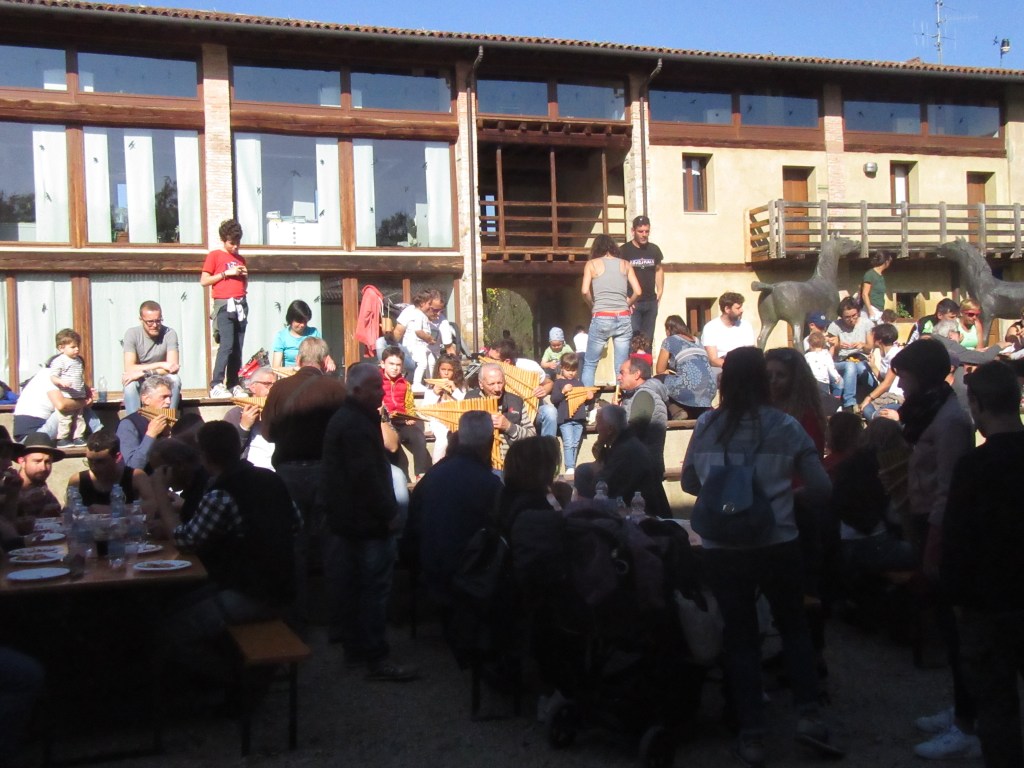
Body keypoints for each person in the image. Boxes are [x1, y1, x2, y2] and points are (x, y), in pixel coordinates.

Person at [681, 347, 838, 767]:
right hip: (777, 543)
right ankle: (808, 718)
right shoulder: (785, 426)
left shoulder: (706, 425)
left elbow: (691, 483)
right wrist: (784, 495)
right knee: (793, 628)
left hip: (722, 549)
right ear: (762, 381)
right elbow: (822, 489)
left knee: (740, 638)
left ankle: (751, 735)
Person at [890, 339, 979, 761]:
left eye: (905, 377)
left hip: (940, 528)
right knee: (945, 624)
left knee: (955, 628)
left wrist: (933, 547)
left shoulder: (949, 423)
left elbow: (949, 488)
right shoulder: (930, 413)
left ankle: (968, 723)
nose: (900, 385)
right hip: (925, 519)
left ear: (922, 377)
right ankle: (962, 709)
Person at [161, 421, 301, 681]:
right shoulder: (271, 479)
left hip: (250, 593)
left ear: (204, 456)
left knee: (169, 630)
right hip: (283, 587)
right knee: (176, 605)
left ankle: (233, 681)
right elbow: (296, 524)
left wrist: (160, 497)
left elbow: (186, 540)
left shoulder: (221, 493)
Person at [943, 361, 1024, 768]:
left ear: (975, 404)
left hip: (989, 601)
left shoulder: (974, 466)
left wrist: (955, 595)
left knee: (996, 704)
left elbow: (957, 539)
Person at [320, 362, 418, 681]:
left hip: (352, 519)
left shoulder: (354, 418)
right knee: (372, 591)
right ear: (358, 389)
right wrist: (389, 513)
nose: (382, 392)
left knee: (357, 588)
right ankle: (376, 657)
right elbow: (365, 477)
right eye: (376, 387)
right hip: (364, 522)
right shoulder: (354, 423)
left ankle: (357, 651)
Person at [261, 337, 347, 618]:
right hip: (326, 472)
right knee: (331, 545)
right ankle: (335, 617)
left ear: (298, 360)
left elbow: (268, 434)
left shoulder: (279, 388)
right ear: (325, 361)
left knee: (294, 544)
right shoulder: (337, 389)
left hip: (288, 472)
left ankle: (297, 617)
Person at [404, 411, 503, 607]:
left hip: (429, 567)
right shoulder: (490, 484)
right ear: (490, 442)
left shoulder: (432, 476)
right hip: (465, 577)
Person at [575, 404, 671, 518]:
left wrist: (598, 467)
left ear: (610, 429)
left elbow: (602, 487)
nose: (596, 428)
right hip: (639, 508)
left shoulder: (626, 451)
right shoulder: (626, 443)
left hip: (645, 515)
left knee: (583, 471)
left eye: (598, 423)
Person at [580, 234, 642, 387]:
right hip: (623, 316)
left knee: (590, 363)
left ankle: (588, 397)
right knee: (621, 366)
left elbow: (584, 291)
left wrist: (592, 305)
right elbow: (638, 291)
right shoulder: (626, 264)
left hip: (602, 315)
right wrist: (628, 303)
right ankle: (621, 397)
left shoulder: (591, 264)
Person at [201, 218, 248, 398]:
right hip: (224, 304)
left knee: (237, 346)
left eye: (237, 243)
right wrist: (226, 273)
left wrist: (244, 276)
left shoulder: (240, 259)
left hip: (241, 304)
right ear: (223, 239)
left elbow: (243, 284)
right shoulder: (214, 255)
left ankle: (233, 383)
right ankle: (216, 384)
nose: (235, 246)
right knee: (226, 345)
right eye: (231, 243)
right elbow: (204, 281)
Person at [466, 362, 536, 464]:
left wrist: (509, 427)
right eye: (491, 384)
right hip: (480, 462)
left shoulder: (515, 401)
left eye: (500, 383)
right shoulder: (469, 400)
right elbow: (461, 435)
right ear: (481, 384)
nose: (497, 389)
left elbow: (532, 436)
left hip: (512, 462)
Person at [68, 431, 153, 514]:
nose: (93, 467)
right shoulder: (78, 480)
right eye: (90, 461)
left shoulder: (136, 476)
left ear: (117, 457)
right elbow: (68, 510)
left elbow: (152, 504)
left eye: (100, 462)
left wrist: (110, 510)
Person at [487, 338, 557, 438]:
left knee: (550, 412)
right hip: (505, 413)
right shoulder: (487, 370)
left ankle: (548, 445)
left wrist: (543, 390)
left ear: (506, 361)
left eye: (492, 359)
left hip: (531, 412)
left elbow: (549, 383)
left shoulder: (530, 367)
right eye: (488, 356)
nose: (487, 360)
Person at [379, 346, 431, 480]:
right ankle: (404, 480)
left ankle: (421, 474)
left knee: (418, 436)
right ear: (383, 364)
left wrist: (410, 416)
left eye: (398, 365)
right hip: (385, 423)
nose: (395, 368)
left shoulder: (405, 384)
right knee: (401, 459)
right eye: (391, 364)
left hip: (402, 421)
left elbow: (410, 405)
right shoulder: (377, 382)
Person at [122, 300, 181, 415]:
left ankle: (169, 420)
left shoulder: (169, 333)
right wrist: (161, 364)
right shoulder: (132, 334)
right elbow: (129, 368)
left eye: (158, 321)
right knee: (129, 385)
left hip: (161, 379)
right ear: (141, 320)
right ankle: (134, 421)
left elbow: (173, 367)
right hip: (140, 381)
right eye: (150, 322)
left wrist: (144, 373)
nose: (154, 325)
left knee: (175, 379)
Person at [617, 356, 669, 479]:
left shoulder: (644, 396)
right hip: (640, 466)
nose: (619, 377)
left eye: (622, 373)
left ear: (637, 374)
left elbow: (634, 431)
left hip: (642, 469)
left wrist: (614, 418)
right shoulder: (636, 396)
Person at [656, 314, 717, 420]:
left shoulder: (669, 341)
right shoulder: (697, 341)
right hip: (711, 388)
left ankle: (677, 411)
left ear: (669, 329)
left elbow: (660, 369)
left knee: (657, 380)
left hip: (689, 387)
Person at [11, 368, 95, 441]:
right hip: (34, 435)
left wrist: (86, 396)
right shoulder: (51, 375)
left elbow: (85, 394)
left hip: (29, 434)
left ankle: (97, 433)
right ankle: (98, 432)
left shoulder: (43, 375)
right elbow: (61, 405)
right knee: (73, 405)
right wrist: (84, 402)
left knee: (76, 403)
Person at [222, 366, 277, 470]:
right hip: (249, 473)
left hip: (278, 472)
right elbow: (226, 453)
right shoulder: (234, 414)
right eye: (267, 384)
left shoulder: (280, 412)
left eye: (275, 385)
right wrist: (244, 427)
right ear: (253, 387)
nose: (272, 389)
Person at [827, 296, 875, 412]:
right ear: (841, 316)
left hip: (860, 358)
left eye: (854, 315)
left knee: (861, 367)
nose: (851, 319)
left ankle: (874, 394)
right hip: (842, 360)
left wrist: (862, 345)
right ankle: (849, 403)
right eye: (847, 317)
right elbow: (832, 353)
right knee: (850, 366)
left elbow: (869, 348)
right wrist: (838, 346)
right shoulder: (835, 326)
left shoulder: (866, 324)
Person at [115, 374, 173, 470]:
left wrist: (169, 438)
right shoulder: (128, 425)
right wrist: (151, 435)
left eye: (170, 397)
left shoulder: (170, 423)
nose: (169, 402)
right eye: (164, 397)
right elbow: (131, 467)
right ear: (146, 399)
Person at [621, 215, 664, 344]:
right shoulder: (624, 251)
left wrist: (660, 291)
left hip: (651, 302)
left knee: (647, 341)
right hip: (633, 303)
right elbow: (619, 275)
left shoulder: (654, 250)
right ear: (633, 231)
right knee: (633, 341)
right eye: (640, 231)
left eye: (647, 231)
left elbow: (658, 270)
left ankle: (647, 358)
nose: (644, 235)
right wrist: (626, 298)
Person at [48, 328, 93, 447]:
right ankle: (62, 438)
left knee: (79, 418)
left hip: (79, 395)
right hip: (67, 396)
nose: (77, 349)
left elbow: (80, 377)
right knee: (65, 419)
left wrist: (86, 390)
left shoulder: (78, 361)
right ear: (61, 348)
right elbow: (53, 376)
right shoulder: (60, 361)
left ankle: (78, 437)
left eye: (77, 346)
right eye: (73, 347)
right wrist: (61, 382)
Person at [550, 352, 592, 475]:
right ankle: (570, 466)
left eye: (573, 370)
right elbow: (554, 399)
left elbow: (585, 402)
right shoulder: (558, 383)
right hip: (565, 419)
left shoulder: (580, 383)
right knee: (568, 443)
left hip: (579, 418)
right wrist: (563, 391)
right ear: (562, 368)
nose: (571, 373)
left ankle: (572, 466)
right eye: (568, 370)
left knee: (575, 443)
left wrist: (590, 398)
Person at [392, 289, 442, 390]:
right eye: (429, 304)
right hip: (416, 345)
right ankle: (417, 384)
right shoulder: (418, 314)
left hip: (421, 345)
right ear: (422, 303)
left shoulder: (422, 315)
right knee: (422, 363)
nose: (430, 307)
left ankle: (430, 382)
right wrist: (428, 338)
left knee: (431, 361)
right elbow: (418, 331)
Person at [421, 354, 467, 463]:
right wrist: (434, 394)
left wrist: (455, 390)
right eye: (443, 369)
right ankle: (436, 466)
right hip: (438, 421)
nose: (446, 373)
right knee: (442, 441)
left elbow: (465, 404)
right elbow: (424, 410)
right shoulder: (431, 387)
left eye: (450, 370)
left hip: (456, 420)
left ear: (455, 371)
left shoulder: (461, 387)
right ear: (438, 370)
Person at [271, 299, 336, 372]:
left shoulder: (314, 333)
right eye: (299, 321)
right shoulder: (281, 336)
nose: (302, 325)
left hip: (312, 374)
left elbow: (324, 355)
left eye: (305, 321)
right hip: (290, 375)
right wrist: (294, 369)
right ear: (290, 319)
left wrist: (330, 361)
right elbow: (275, 368)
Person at [859, 323, 905, 419]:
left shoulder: (895, 354)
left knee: (875, 414)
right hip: (887, 395)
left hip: (896, 397)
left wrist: (868, 398)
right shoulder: (885, 355)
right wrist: (873, 366)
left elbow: (887, 383)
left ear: (879, 340)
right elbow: (883, 380)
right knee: (867, 410)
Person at [14, 433, 63, 520]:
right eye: (37, 461)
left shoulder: (45, 493)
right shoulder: (8, 489)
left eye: (47, 462)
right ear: (22, 462)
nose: (43, 468)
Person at [702, 291, 756, 371]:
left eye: (741, 307)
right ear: (727, 309)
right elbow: (713, 360)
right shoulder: (711, 328)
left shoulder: (746, 326)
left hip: (745, 367)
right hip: (721, 369)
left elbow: (751, 352)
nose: (742, 310)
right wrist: (735, 367)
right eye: (738, 308)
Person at [804, 331, 843, 398]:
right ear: (823, 344)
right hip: (823, 381)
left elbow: (804, 369)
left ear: (810, 344)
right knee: (824, 398)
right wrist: (836, 376)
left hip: (812, 381)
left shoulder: (807, 356)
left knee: (813, 397)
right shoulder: (826, 354)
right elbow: (831, 367)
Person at [860, 250, 893, 323]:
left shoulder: (880, 276)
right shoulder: (870, 274)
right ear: (886, 262)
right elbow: (864, 294)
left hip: (879, 309)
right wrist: (870, 310)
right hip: (871, 309)